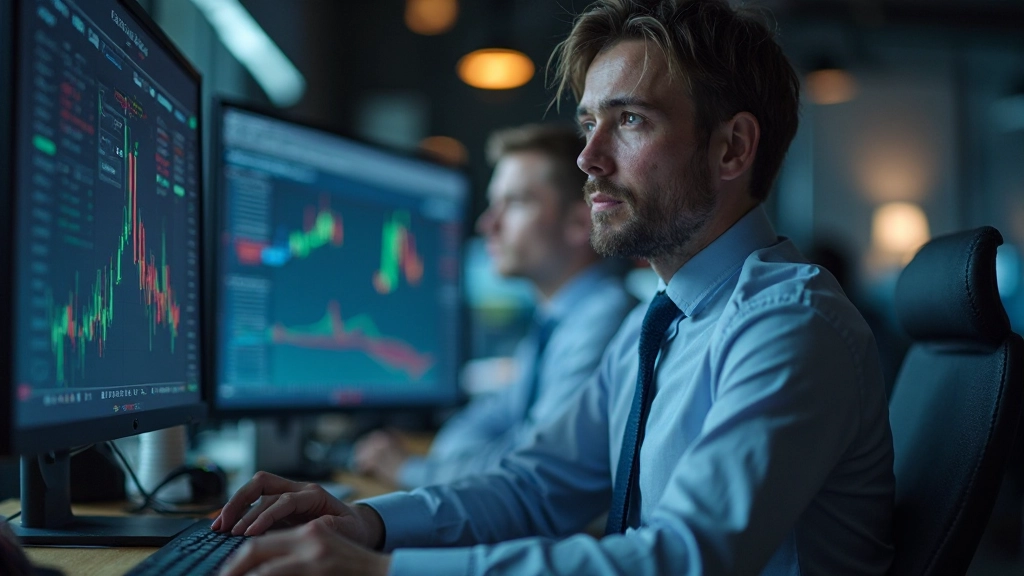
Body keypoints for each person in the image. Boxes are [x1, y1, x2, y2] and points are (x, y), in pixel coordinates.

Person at [212, 1, 895, 574]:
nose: (589, 160)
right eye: (589, 123)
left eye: (629, 121)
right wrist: (366, 523)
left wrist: (388, 572)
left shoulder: (788, 325)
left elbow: (681, 559)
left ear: (731, 150)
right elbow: (537, 486)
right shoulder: (657, 326)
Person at [353, 123, 637, 488]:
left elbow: (534, 465)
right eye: (493, 204)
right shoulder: (556, 320)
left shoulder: (604, 320)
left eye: (516, 203)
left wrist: (410, 470)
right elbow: (484, 422)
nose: (488, 224)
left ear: (579, 221)